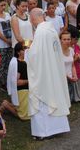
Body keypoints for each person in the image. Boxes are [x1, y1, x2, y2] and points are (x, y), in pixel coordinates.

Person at [25, 8, 71, 139]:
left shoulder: (41, 32)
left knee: (42, 98)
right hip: (53, 70)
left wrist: (27, 51)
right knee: (54, 95)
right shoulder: (51, 29)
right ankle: (58, 127)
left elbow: (35, 55)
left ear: (33, 18)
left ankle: (44, 132)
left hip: (44, 73)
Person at [6, 42, 29, 120]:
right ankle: (6, 105)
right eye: (23, 49)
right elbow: (17, 82)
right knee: (24, 117)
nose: (25, 51)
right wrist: (30, 81)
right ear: (18, 52)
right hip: (22, 91)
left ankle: (9, 105)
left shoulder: (20, 62)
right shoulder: (20, 64)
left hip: (25, 91)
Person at [69, 28, 80, 102]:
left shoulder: (76, 46)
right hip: (70, 71)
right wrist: (75, 58)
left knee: (78, 83)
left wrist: (78, 58)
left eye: (77, 39)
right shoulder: (67, 48)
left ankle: (78, 96)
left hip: (77, 69)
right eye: (75, 39)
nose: (76, 41)